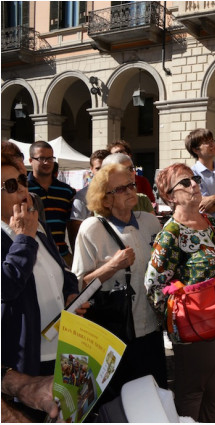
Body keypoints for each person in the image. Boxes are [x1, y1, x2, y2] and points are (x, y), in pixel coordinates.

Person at [145, 163, 215, 422]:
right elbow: (153, 285)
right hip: (194, 323)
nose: (194, 184)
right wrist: (177, 319)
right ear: (170, 196)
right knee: (192, 390)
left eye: (194, 179)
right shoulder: (171, 233)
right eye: (184, 183)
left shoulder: (208, 222)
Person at [72, 163, 166, 402]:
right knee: (122, 402)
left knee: (155, 397)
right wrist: (111, 266)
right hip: (116, 334)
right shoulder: (91, 228)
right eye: (121, 188)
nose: (130, 191)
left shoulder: (150, 221)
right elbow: (79, 285)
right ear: (105, 200)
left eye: (131, 185)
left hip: (152, 330)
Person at [2, 151, 83, 380]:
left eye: (22, 181)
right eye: (10, 185)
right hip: (25, 362)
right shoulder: (25, 230)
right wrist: (24, 238)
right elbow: (6, 286)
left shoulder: (35, 223)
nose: (21, 189)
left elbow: (60, 270)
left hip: (64, 349)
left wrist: (71, 293)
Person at [27, 140, 76, 266]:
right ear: (30, 160)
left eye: (50, 158)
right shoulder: (23, 189)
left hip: (62, 256)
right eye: (41, 158)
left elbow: (72, 229)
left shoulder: (67, 191)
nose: (47, 162)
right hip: (33, 257)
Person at [186, 128, 215, 234]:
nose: (212, 144)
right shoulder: (192, 174)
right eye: (207, 142)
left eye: (212, 141)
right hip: (209, 232)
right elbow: (207, 208)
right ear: (195, 150)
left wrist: (214, 198)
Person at [69, 149, 110, 250]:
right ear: (91, 169)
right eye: (98, 168)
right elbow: (75, 231)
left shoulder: (121, 192)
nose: (102, 172)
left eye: (105, 168)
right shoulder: (82, 196)